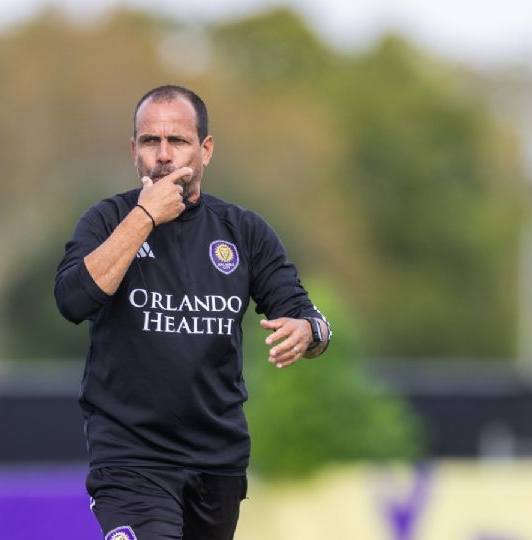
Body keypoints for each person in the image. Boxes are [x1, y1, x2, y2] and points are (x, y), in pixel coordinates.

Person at [54, 84, 331, 540]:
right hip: (130, 459)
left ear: (205, 150)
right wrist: (144, 217)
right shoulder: (106, 221)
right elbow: (72, 300)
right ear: (134, 150)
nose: (163, 155)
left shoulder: (243, 231)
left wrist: (309, 331)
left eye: (177, 141)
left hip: (217, 462)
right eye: (150, 141)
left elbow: (308, 315)